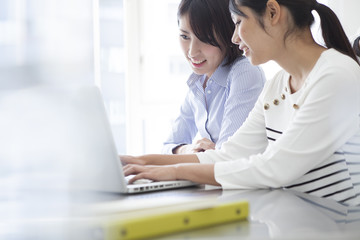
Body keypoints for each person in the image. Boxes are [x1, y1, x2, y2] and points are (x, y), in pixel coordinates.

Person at [121, 0, 360, 206]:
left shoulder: (336, 75)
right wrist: (141, 161)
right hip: (297, 221)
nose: (234, 38)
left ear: (273, 12)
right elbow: (229, 155)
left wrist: (172, 171)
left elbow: (274, 168)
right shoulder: (277, 85)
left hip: (340, 226)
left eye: (237, 23)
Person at [162, 0, 265, 154]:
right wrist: (188, 150)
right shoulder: (198, 81)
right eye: (184, 36)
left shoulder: (245, 72)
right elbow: (167, 146)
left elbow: (227, 157)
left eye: (204, 39)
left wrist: (203, 155)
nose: (192, 52)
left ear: (227, 34)